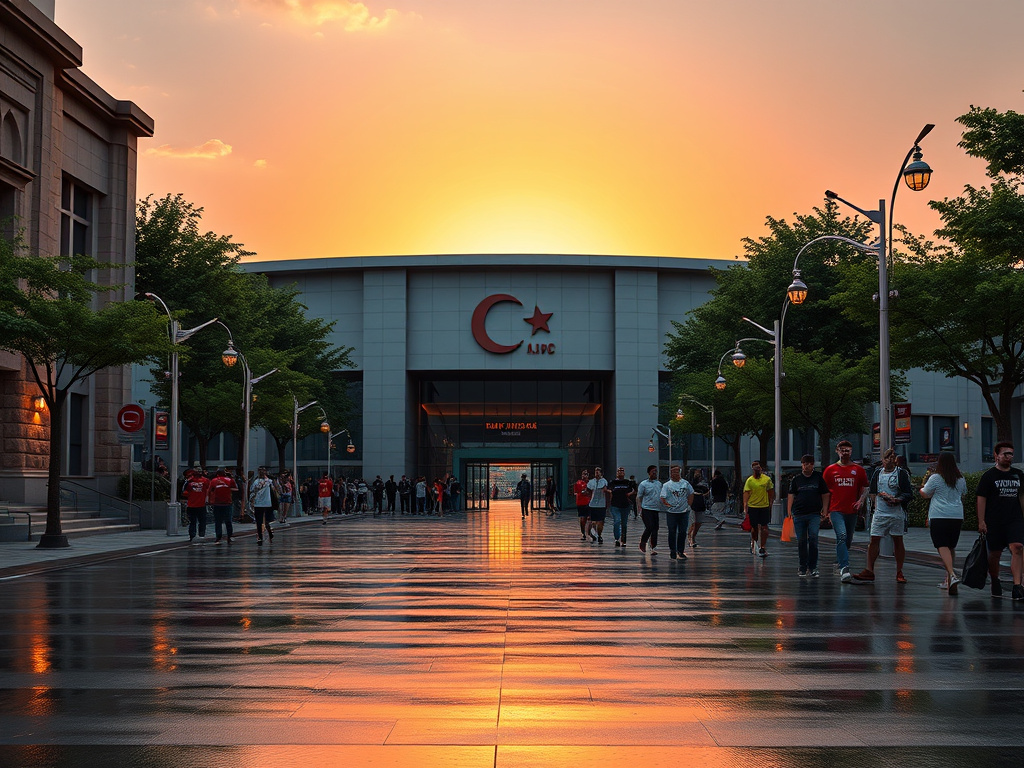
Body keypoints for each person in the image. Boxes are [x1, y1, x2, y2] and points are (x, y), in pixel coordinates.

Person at [854, 448, 913, 583]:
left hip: (896, 513)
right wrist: (870, 504)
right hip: (880, 512)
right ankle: (869, 570)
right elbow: (872, 491)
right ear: (883, 459)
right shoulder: (878, 473)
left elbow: (908, 494)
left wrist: (897, 499)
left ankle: (899, 571)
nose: (889, 461)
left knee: (897, 540)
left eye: (892, 458)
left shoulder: (901, 474)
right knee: (874, 539)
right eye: (887, 458)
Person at [976, 441, 1024, 599]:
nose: (1009, 457)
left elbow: (1022, 497)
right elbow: (981, 499)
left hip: (1014, 519)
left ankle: (1017, 585)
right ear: (996, 456)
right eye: (1005, 454)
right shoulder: (989, 476)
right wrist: (981, 521)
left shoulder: (1018, 475)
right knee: (994, 555)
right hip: (995, 521)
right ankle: (995, 579)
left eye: (1011, 454)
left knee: (1017, 548)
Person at [823, 440, 870, 583]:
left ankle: (839, 561)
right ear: (837, 451)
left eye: (848, 450)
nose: (845, 453)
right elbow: (824, 492)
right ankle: (845, 568)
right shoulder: (830, 470)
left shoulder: (858, 470)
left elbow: (866, 487)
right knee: (842, 536)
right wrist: (825, 511)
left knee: (847, 539)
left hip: (852, 510)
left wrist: (861, 501)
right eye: (842, 450)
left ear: (851, 452)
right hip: (836, 510)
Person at [921, 452, 967, 595]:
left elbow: (926, 493)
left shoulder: (936, 478)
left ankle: (952, 575)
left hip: (939, 515)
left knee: (941, 545)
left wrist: (921, 488)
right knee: (951, 546)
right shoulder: (960, 479)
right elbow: (963, 494)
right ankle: (948, 580)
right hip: (957, 515)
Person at [787, 454, 830, 577]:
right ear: (802, 465)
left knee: (813, 539)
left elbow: (825, 494)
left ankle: (813, 567)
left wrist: (825, 510)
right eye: (805, 464)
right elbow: (791, 494)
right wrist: (789, 510)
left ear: (813, 465)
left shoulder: (818, 478)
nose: (807, 466)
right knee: (801, 541)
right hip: (799, 514)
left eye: (810, 464)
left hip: (814, 514)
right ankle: (802, 566)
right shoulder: (796, 480)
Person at [660, 464, 694, 560]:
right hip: (671, 513)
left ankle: (680, 550)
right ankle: (672, 550)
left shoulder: (686, 483)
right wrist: (668, 506)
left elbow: (691, 493)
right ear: (670, 473)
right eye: (673, 472)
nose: (675, 473)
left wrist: (689, 504)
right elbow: (662, 497)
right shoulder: (666, 485)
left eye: (677, 471)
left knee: (683, 532)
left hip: (684, 512)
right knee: (672, 531)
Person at [743, 460, 775, 558]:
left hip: (764, 506)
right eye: (754, 467)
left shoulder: (767, 479)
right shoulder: (750, 480)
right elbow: (746, 493)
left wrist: (770, 502)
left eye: (758, 466)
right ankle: (754, 541)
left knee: (764, 528)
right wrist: (745, 506)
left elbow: (770, 491)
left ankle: (763, 546)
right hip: (753, 506)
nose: (756, 468)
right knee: (754, 527)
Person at [636, 464, 662, 555]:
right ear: (649, 473)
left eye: (656, 471)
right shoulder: (643, 484)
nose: (655, 473)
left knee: (655, 529)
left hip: (656, 509)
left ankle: (653, 547)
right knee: (649, 527)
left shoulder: (659, 484)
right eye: (653, 471)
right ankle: (643, 542)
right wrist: (639, 509)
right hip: (646, 509)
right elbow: (639, 497)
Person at [208, 467, 238, 545]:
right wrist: (228, 489)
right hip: (227, 503)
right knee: (228, 520)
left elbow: (210, 491)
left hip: (217, 503)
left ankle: (218, 536)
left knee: (218, 521)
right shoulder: (229, 480)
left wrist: (209, 501)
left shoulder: (214, 481)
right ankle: (229, 535)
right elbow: (236, 489)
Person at [248, 466, 276, 546]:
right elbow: (274, 490)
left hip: (258, 504)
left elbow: (251, 491)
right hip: (267, 503)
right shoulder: (270, 481)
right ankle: (269, 532)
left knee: (259, 521)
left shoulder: (256, 482)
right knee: (266, 520)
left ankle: (260, 536)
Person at [608, 466, 634, 547]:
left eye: (622, 471)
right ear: (616, 473)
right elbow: (609, 490)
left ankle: (623, 540)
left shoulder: (627, 482)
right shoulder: (613, 482)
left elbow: (633, 490)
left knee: (624, 524)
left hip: (625, 505)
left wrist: (630, 494)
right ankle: (617, 539)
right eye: (619, 471)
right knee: (617, 521)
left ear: (624, 473)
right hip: (615, 505)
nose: (620, 472)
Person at [182, 468, 211, 544]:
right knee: (199, 521)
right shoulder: (203, 481)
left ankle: (195, 535)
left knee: (195, 521)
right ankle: (198, 535)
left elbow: (184, 491)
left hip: (195, 504)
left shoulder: (191, 481)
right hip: (197, 504)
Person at [686, 470, 710, 549]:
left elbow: (708, 491)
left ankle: (693, 537)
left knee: (698, 522)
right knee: (693, 522)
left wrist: (702, 495)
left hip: (700, 503)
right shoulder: (689, 483)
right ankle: (690, 538)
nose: (698, 475)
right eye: (696, 473)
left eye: (699, 474)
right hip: (692, 503)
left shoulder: (703, 483)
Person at [586, 467, 609, 543]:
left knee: (600, 522)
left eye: (598, 471)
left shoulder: (604, 481)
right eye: (596, 471)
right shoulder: (591, 482)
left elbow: (605, 489)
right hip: (592, 504)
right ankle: (593, 533)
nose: (597, 473)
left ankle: (599, 535)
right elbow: (588, 491)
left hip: (601, 504)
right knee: (592, 521)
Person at [574, 469, 591, 541]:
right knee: (582, 518)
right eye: (583, 474)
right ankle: (583, 533)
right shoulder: (578, 483)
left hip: (590, 503)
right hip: (581, 503)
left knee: (590, 519)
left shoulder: (591, 483)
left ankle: (589, 532)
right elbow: (575, 492)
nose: (584, 476)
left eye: (586, 474)